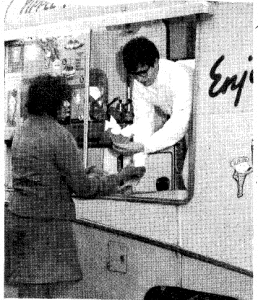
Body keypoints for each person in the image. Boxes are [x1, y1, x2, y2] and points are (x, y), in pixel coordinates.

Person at [4, 74, 145, 298]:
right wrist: (120, 176)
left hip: (20, 222)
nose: (66, 106)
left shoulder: (23, 130)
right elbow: (83, 189)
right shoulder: (60, 136)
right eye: (63, 101)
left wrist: (87, 172)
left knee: (28, 294)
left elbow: (45, 175)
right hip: (49, 230)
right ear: (53, 102)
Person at [121, 36, 194, 189]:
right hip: (188, 123)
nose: (141, 79)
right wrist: (138, 167)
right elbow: (143, 122)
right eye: (135, 74)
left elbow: (180, 123)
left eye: (143, 72)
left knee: (193, 177)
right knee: (187, 177)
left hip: (207, 116)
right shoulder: (139, 83)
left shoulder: (178, 75)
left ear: (156, 61)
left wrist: (143, 147)